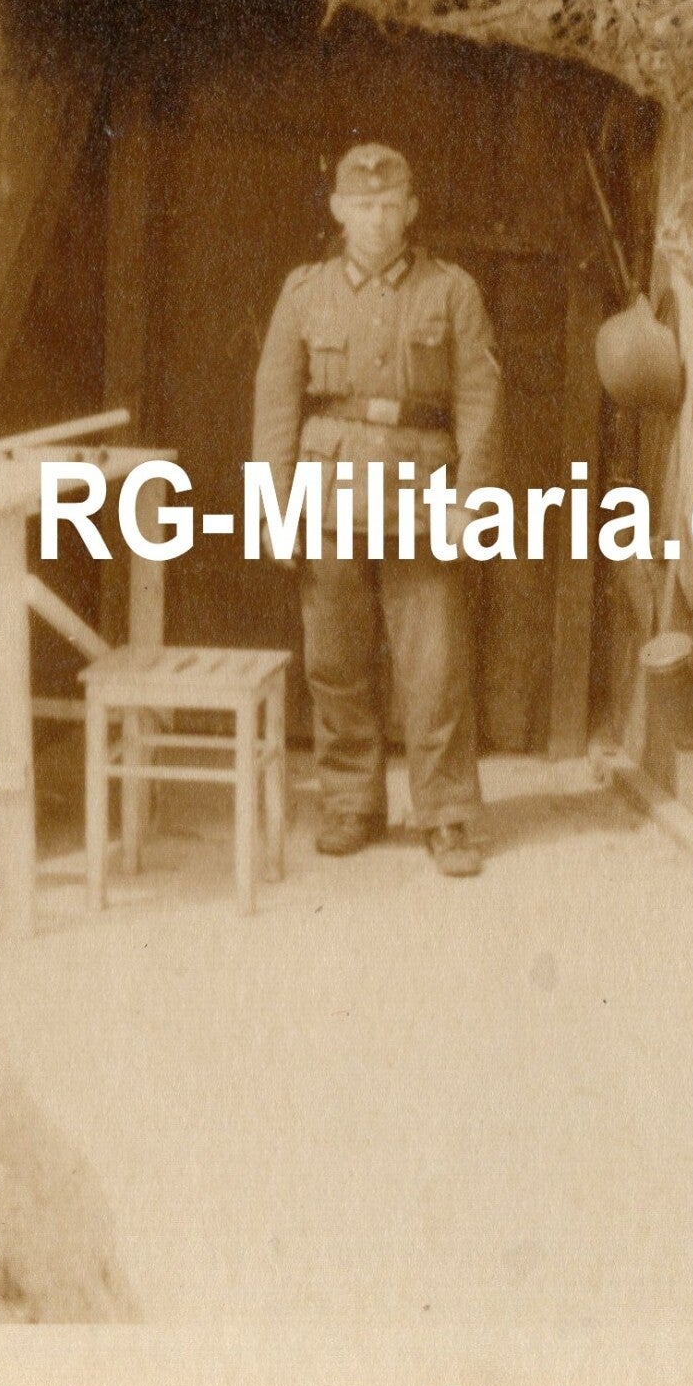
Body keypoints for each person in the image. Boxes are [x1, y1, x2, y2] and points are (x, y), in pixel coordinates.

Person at [252, 142, 503, 877]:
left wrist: (470, 504)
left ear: (412, 210)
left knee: (434, 664)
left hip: (424, 498)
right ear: (337, 209)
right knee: (334, 661)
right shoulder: (304, 293)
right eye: (362, 206)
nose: (376, 220)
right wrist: (275, 509)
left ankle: (448, 814)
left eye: (390, 206)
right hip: (325, 497)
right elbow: (275, 407)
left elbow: (481, 402)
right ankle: (349, 802)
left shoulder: (451, 292)